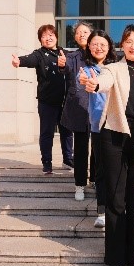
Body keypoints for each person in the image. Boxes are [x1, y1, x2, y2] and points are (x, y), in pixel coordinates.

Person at [80, 24, 134, 266]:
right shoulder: (113, 68)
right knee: (116, 198)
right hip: (114, 136)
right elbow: (103, 81)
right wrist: (93, 84)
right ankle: (115, 258)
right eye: (129, 41)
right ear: (122, 45)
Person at [11, 24, 73, 174]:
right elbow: (30, 60)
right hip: (47, 102)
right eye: (44, 36)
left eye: (51, 35)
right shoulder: (39, 54)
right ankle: (47, 163)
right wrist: (19, 61)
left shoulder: (64, 53)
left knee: (67, 133)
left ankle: (68, 160)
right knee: (47, 133)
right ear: (40, 40)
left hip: (65, 102)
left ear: (56, 37)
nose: (48, 38)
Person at [81, 30, 118, 226]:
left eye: (102, 44)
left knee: (117, 170)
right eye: (94, 44)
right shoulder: (87, 70)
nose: (99, 48)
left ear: (109, 47)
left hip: (117, 125)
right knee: (101, 170)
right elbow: (83, 80)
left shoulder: (117, 68)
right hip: (98, 126)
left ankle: (117, 208)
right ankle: (102, 211)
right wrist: (85, 81)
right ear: (89, 47)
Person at [59, 21, 94, 200]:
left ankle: (94, 179)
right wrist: (61, 64)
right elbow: (65, 69)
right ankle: (80, 184)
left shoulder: (99, 52)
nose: (82, 35)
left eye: (85, 32)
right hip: (79, 107)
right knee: (80, 149)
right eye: (78, 32)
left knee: (98, 148)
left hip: (98, 107)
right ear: (75, 37)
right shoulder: (71, 56)